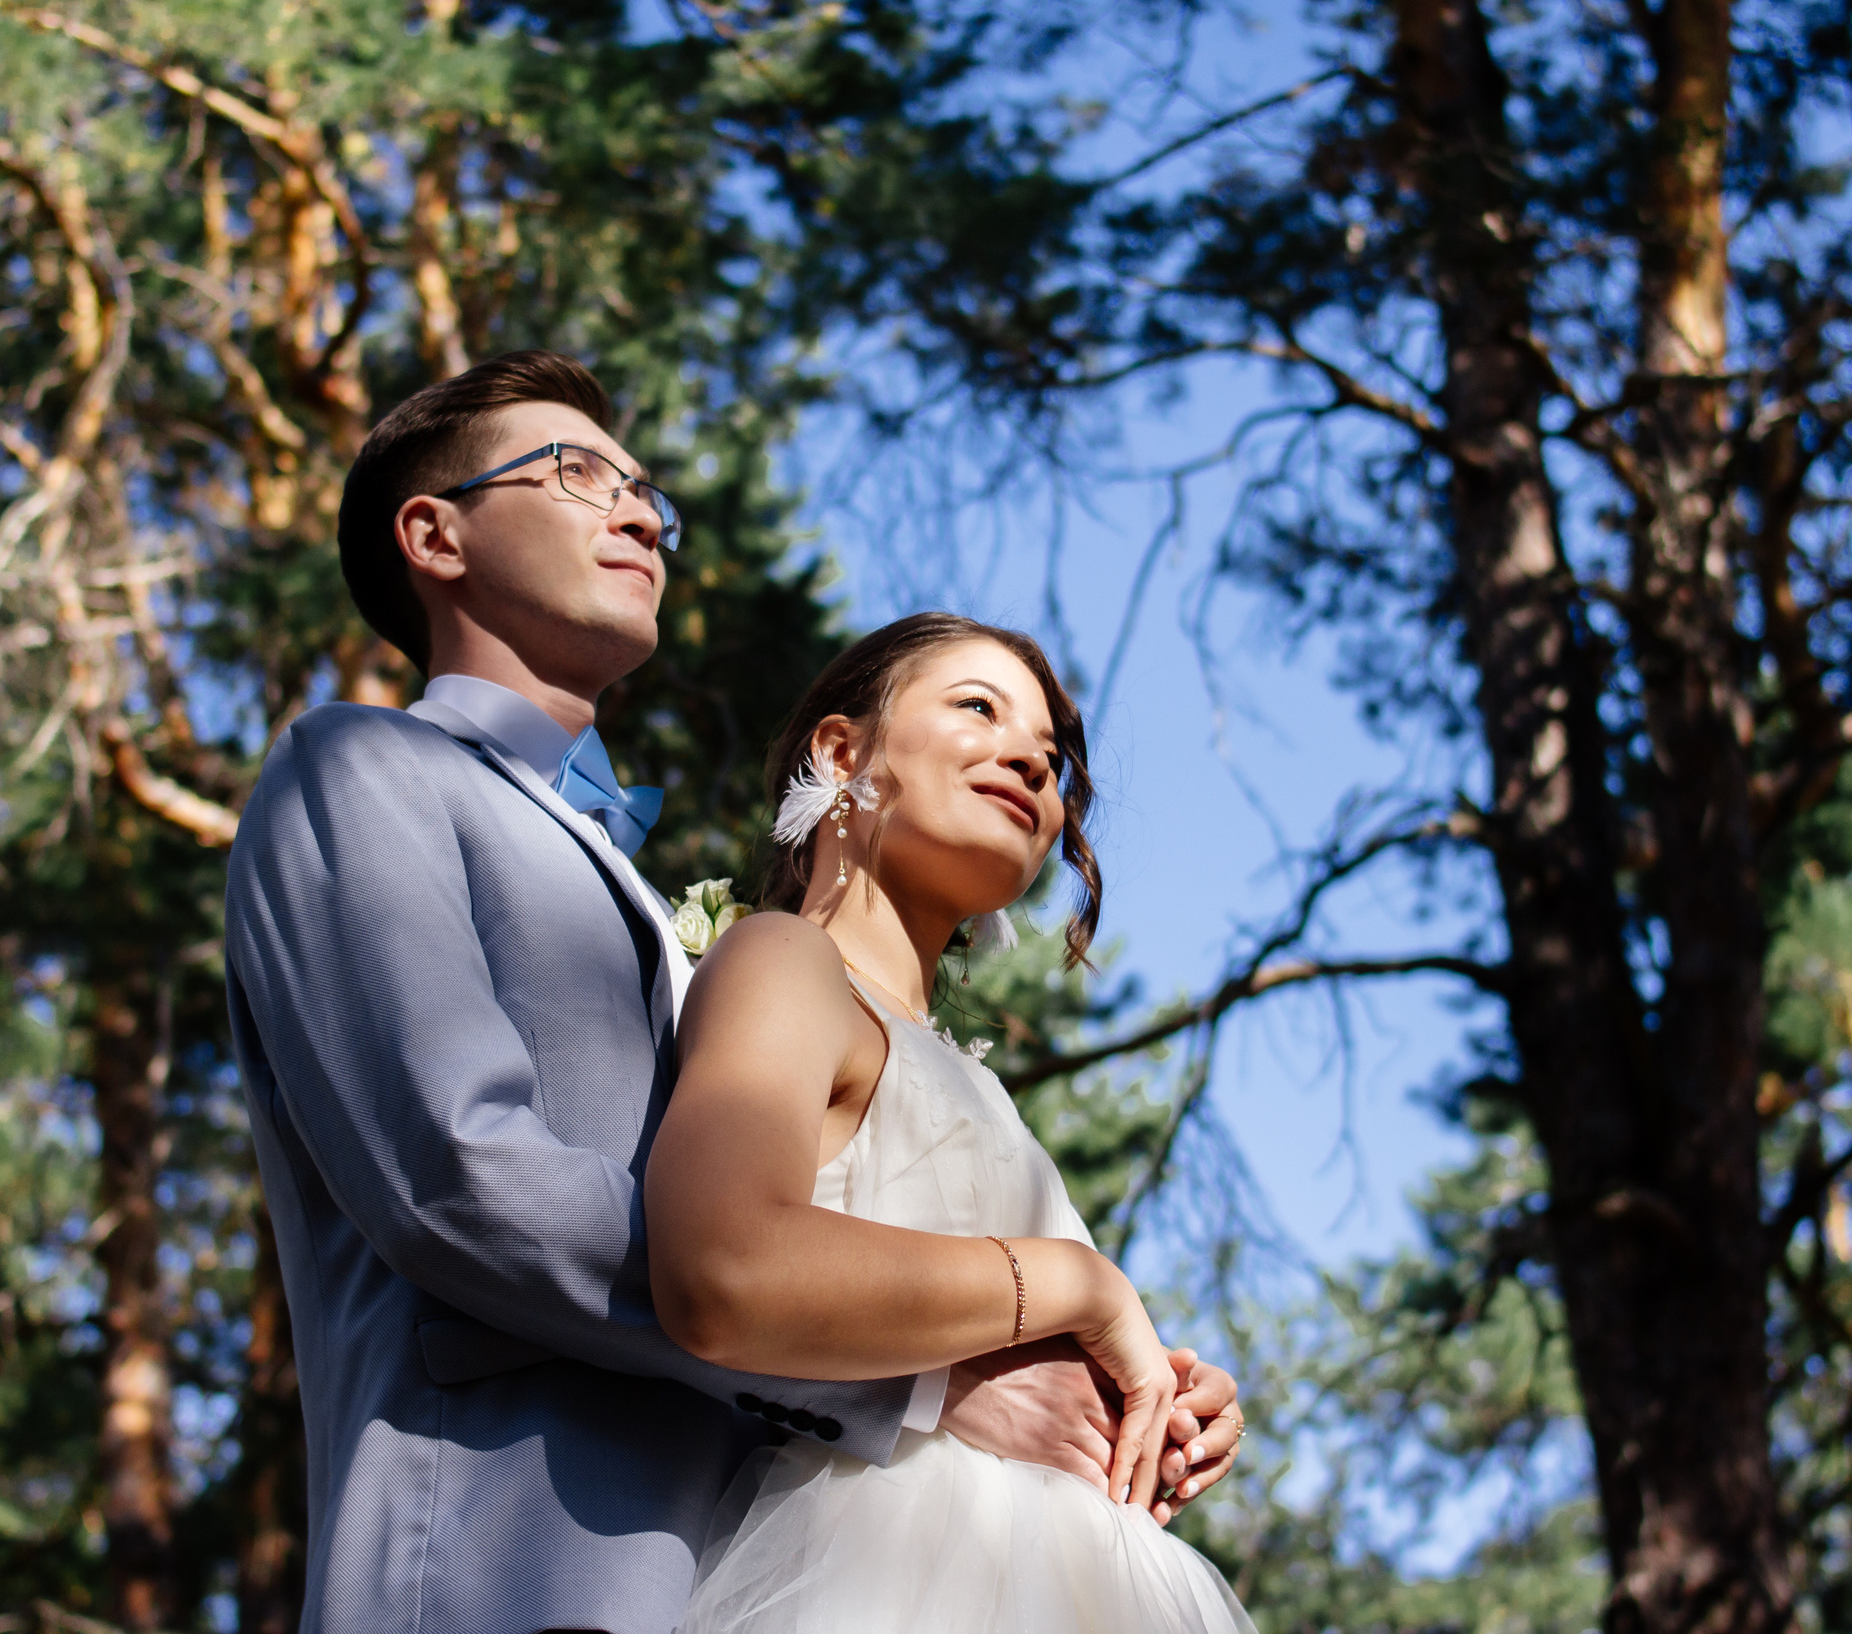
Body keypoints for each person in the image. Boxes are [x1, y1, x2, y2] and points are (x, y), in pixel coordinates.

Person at [222, 349, 1243, 1634]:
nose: (641, 511)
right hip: (502, 1559)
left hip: (736, 1564)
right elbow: (461, 1174)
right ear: (434, 534)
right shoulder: (360, 768)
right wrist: (924, 1376)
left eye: (648, 491)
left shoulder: (679, 926)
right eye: (577, 473)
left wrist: (1108, 1399)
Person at [649, 613, 1257, 1633]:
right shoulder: (782, 963)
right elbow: (722, 1267)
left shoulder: (973, 1083)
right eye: (978, 707)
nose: (1030, 756)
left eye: (1052, 756)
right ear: (844, 753)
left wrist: (1154, 1408)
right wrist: (1077, 1283)